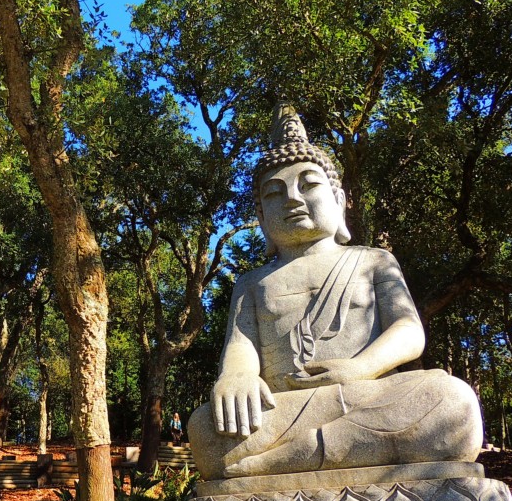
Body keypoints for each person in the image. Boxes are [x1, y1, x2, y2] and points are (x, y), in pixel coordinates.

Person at [188, 107, 483, 480]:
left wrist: (360, 368)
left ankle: (277, 463)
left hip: (365, 394)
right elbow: (241, 344)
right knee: (205, 428)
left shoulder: (374, 261)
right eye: (275, 194)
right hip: (286, 408)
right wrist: (236, 377)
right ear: (262, 218)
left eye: (308, 185)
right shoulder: (252, 282)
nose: (293, 199)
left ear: (340, 200)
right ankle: (307, 452)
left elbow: (409, 331)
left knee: (450, 400)